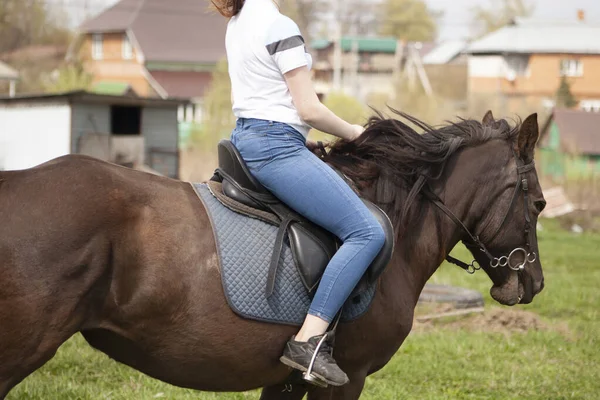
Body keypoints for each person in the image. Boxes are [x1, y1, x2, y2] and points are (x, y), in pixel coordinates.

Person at [213, 0, 386, 387]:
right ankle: (308, 342)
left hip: (247, 136)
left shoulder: (238, 22)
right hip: (276, 145)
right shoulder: (278, 25)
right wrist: (356, 132)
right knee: (366, 233)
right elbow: (309, 109)